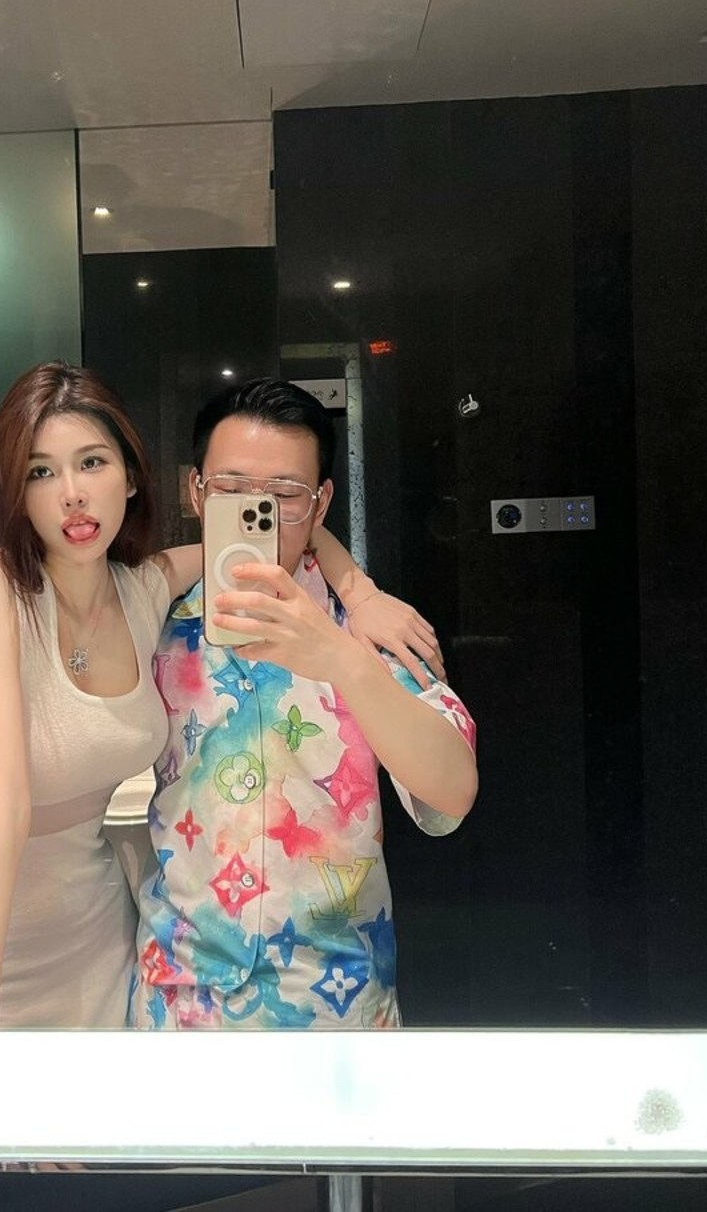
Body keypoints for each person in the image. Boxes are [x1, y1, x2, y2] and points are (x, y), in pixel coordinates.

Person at [0, 363, 437, 1030]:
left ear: (131, 476)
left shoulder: (145, 589)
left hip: (105, 926)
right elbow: (5, 804)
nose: (72, 495)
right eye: (40, 471)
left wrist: (359, 593)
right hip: (3, 928)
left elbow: (276, 527)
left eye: (92, 462)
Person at [130, 378, 477, 1029]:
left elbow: (452, 790)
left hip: (335, 1006)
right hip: (180, 1003)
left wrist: (342, 659)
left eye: (284, 495)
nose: (255, 509)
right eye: (231, 489)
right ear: (196, 491)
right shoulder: (155, 624)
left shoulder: (369, 629)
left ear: (321, 504)